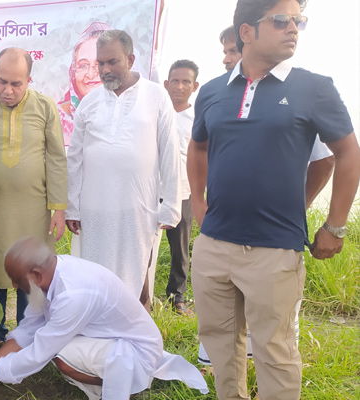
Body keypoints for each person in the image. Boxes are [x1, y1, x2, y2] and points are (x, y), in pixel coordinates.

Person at [187, 0, 360, 398]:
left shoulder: (314, 88)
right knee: (219, 344)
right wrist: (198, 202)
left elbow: (346, 154)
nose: (293, 28)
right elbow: (198, 148)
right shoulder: (213, 91)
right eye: (281, 20)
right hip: (214, 245)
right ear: (246, 32)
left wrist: (334, 226)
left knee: (274, 351)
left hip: (274, 251)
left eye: (299, 21)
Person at [0, 237, 209, 400]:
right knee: (53, 343)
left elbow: (37, 352)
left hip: (137, 352)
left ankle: (129, 383)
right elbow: (27, 331)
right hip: (116, 339)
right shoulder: (53, 273)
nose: (15, 285)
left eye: (16, 280)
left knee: (60, 354)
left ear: (36, 275)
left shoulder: (74, 294)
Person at [0, 48, 67, 355]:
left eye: (16, 84)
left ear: (29, 80)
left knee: (32, 271)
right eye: (2, 81)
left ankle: (26, 332)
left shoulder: (46, 108)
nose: (8, 90)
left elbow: (57, 159)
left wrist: (58, 208)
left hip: (35, 208)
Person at [66, 30, 181, 309]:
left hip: (138, 209)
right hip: (95, 209)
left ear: (130, 59)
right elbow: (75, 158)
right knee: (94, 278)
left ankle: (136, 344)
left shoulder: (156, 97)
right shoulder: (89, 103)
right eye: (100, 63)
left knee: (137, 275)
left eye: (112, 62)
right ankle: (96, 341)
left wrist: (171, 205)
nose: (105, 70)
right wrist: (72, 207)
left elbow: (170, 152)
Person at [220, 24, 334, 206]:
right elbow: (202, 151)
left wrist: (302, 205)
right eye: (224, 52)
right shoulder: (220, 98)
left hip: (276, 225)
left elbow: (325, 159)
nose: (226, 59)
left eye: (233, 51)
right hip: (222, 221)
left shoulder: (297, 93)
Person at [162, 59, 199, 315]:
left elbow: (202, 158)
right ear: (166, 84)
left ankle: (177, 296)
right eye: (175, 80)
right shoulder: (156, 112)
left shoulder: (198, 119)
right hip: (153, 191)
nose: (179, 86)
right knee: (144, 246)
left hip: (184, 192)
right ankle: (138, 293)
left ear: (194, 86)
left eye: (186, 81)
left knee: (180, 248)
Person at [57, 21, 109, 147]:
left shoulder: (132, 115)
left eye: (99, 64)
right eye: (83, 65)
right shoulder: (58, 120)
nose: (90, 74)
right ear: (73, 71)